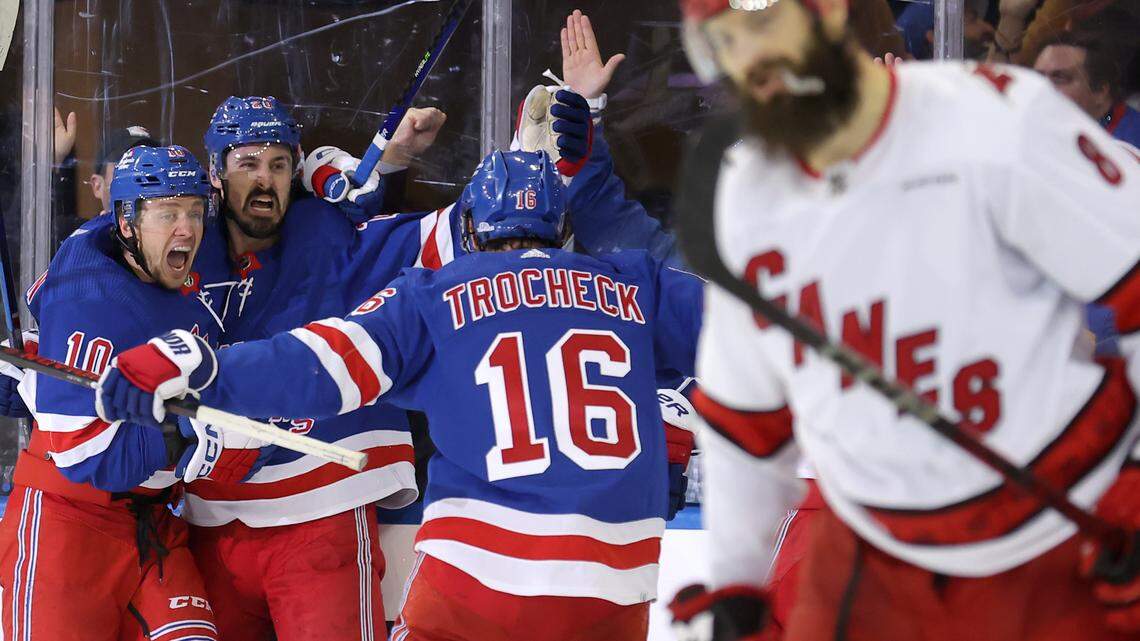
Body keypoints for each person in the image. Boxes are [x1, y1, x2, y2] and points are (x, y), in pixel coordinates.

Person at [95, 149, 704, 641]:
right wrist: (675, 427)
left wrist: (205, 367)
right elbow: (757, 336)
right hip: (616, 585)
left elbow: (324, 365)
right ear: (562, 229)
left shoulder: (438, 294)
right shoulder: (636, 282)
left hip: (477, 581)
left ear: (469, 228)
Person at [671, 2, 1140, 641]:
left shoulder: (995, 117)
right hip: (874, 555)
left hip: (1051, 536)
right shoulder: (748, 201)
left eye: (763, 31)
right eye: (724, 47)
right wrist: (734, 584)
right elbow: (744, 427)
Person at [0, 146, 231, 640]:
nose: (187, 229)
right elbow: (84, 453)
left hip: (154, 522)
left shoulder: (172, 247)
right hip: (69, 520)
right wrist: (179, 431)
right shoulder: (88, 293)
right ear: (125, 223)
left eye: (194, 210)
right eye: (168, 213)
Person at [1033, 30, 1140, 148]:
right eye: (1037, 77)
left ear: (1101, 91)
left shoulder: (1129, 149)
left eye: (1060, 78)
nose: (1042, 87)